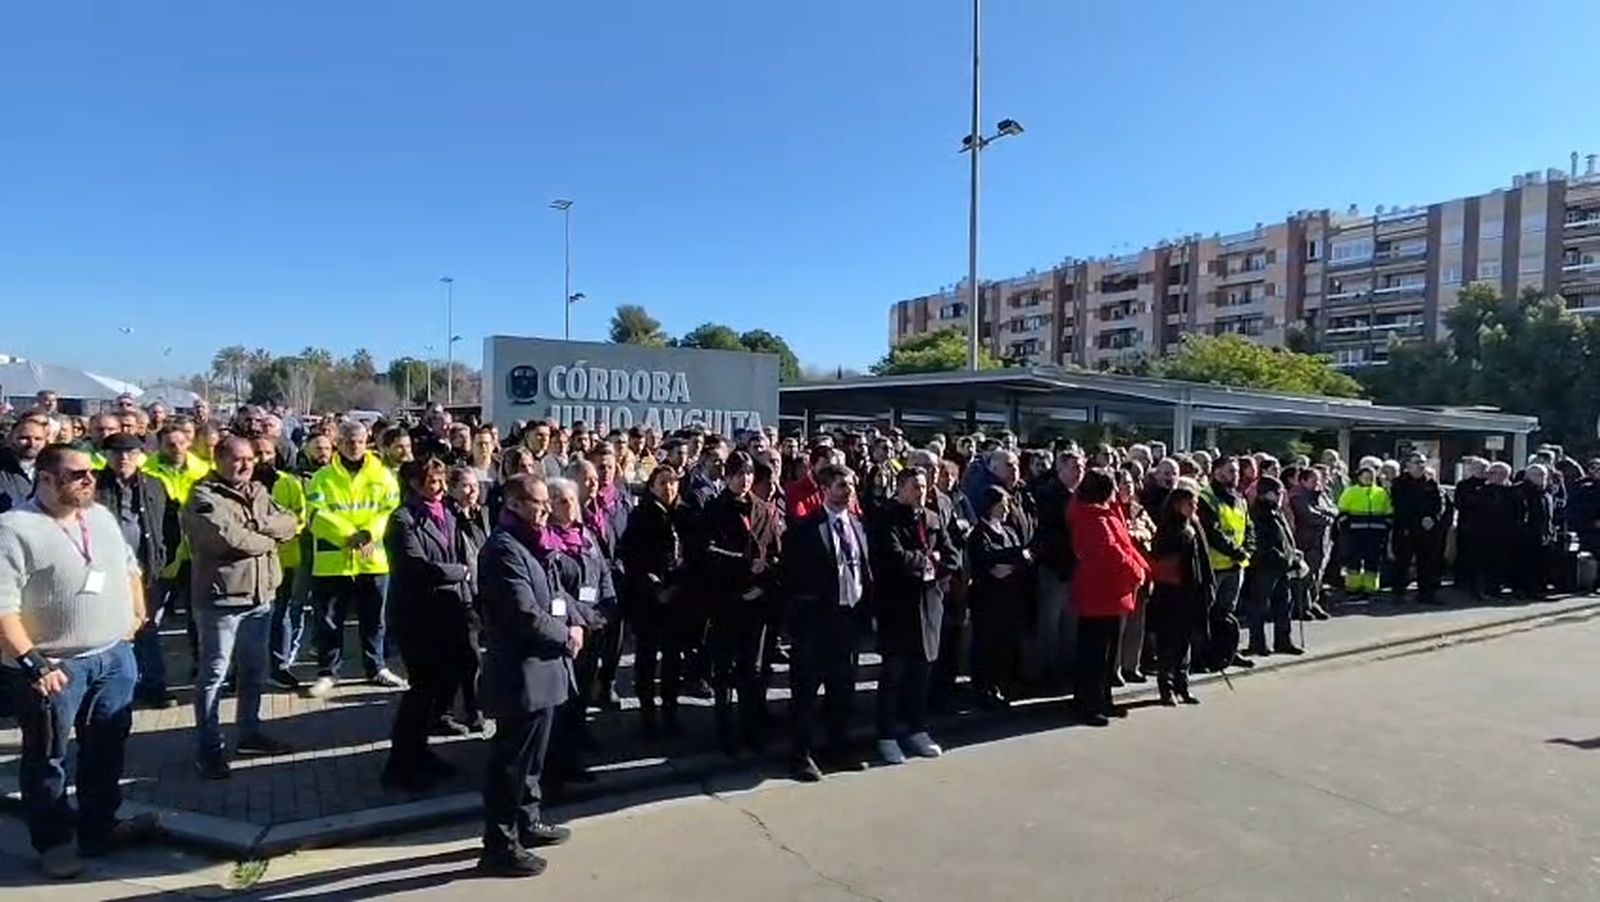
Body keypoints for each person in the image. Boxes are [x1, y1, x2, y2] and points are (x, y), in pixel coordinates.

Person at [0, 444, 159, 878]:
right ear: (46, 479)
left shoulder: (100, 517)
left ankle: (99, 828)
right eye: (77, 475)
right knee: (48, 757)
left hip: (113, 656)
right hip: (53, 665)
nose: (90, 480)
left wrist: (136, 611)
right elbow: (2, 608)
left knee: (106, 747)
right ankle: (53, 841)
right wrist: (34, 663)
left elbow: (129, 566)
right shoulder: (14, 529)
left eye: (91, 472)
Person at [475, 474, 577, 877]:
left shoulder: (534, 544)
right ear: (514, 504)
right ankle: (500, 845)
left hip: (545, 669)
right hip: (521, 672)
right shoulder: (502, 550)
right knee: (511, 763)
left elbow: (553, 596)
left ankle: (528, 822)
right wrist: (565, 636)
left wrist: (577, 621)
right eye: (537, 503)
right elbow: (522, 613)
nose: (546, 510)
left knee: (534, 759)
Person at [183, 437, 300, 779]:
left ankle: (250, 733)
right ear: (218, 459)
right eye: (237, 459)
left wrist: (258, 528)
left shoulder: (260, 491)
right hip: (222, 600)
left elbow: (290, 522)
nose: (246, 465)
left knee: (253, 671)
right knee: (215, 675)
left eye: (250, 458)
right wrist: (267, 538)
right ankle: (209, 748)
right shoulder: (203, 496)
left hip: (261, 597)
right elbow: (225, 540)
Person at [381, 458, 476, 791]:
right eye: (433, 482)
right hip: (417, 616)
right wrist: (459, 572)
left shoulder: (447, 512)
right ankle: (400, 764)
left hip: (450, 611)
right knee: (421, 689)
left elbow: (460, 552)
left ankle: (420, 752)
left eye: (441, 481)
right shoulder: (402, 520)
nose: (439, 488)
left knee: (445, 681)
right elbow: (417, 568)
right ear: (416, 485)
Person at [785, 464, 873, 782]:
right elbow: (792, 579)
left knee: (842, 689)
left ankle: (837, 747)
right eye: (839, 485)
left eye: (850, 485)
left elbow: (864, 568)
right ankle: (800, 755)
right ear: (824, 490)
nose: (846, 491)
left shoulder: (858, 525)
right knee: (807, 692)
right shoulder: (806, 528)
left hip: (848, 619)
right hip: (816, 622)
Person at [305, 420, 405, 697]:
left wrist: (368, 534)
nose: (354, 445)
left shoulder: (383, 476)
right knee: (328, 620)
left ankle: (376, 667)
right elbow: (315, 514)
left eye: (359, 440)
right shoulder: (322, 477)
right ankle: (328, 672)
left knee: (374, 617)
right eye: (348, 440)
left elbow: (390, 510)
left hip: (372, 559)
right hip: (332, 561)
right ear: (338, 442)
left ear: (367, 441)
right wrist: (349, 535)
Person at [867, 466, 954, 764]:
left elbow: (952, 554)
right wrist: (929, 561)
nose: (921, 491)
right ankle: (887, 734)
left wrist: (935, 564)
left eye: (924, 486)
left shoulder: (932, 518)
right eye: (915, 486)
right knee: (894, 673)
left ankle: (916, 727)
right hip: (898, 606)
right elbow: (893, 557)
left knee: (921, 672)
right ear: (901, 488)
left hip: (929, 606)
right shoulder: (886, 518)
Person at [538, 475, 616, 787]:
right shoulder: (548, 540)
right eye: (559, 501)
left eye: (570, 500)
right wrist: (582, 618)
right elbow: (556, 588)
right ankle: (559, 764)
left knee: (582, 693)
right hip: (569, 630)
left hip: (594, 625)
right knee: (564, 700)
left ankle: (575, 748)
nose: (568, 506)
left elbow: (603, 573)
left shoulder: (586, 536)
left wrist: (607, 608)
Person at [703, 451, 783, 756]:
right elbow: (708, 553)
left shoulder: (765, 510)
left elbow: (776, 551)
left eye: (748, 474)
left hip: (757, 602)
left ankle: (751, 728)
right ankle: (724, 732)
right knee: (724, 672)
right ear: (727, 477)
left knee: (753, 670)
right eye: (738, 474)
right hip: (727, 601)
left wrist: (764, 579)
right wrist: (745, 566)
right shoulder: (714, 510)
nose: (744, 479)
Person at [1067, 469, 1150, 727]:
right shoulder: (1092, 518)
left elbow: (1124, 545)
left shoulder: (1104, 513)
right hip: (1100, 591)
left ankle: (1102, 698)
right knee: (1095, 652)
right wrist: (1137, 571)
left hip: (1108, 591)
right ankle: (1089, 703)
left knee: (1107, 649)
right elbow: (1112, 552)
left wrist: (1141, 567)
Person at [619, 465, 687, 735]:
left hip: (677, 598)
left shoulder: (682, 513)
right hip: (648, 598)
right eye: (663, 483)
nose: (669, 488)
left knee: (672, 659)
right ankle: (648, 713)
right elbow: (631, 556)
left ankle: (670, 710)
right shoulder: (642, 516)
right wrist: (653, 585)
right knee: (646, 658)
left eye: (673, 483)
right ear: (652, 486)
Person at [250, 437, 311, 690]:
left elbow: (300, 516)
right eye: (257, 453)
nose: (262, 458)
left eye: (267, 453)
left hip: (284, 558)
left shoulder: (289, 483)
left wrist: (282, 531)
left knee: (281, 614)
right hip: (249, 561)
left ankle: (279, 665)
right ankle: (242, 670)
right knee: (250, 617)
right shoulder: (236, 484)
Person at [966, 485, 1032, 709]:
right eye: (1003, 505)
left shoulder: (1010, 531)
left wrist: (1012, 562)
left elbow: (1020, 559)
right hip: (988, 598)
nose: (1007, 510)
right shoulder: (980, 533)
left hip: (1009, 597)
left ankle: (1001, 685)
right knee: (987, 644)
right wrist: (1012, 559)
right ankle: (983, 688)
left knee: (1005, 644)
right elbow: (989, 563)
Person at [1147, 480, 1211, 706]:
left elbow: (1203, 558)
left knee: (1185, 641)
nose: (1194, 506)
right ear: (1178, 504)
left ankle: (1183, 684)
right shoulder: (1167, 530)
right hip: (1170, 593)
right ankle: (1166, 687)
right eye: (1190, 502)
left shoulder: (1193, 526)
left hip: (1190, 591)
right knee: (1168, 642)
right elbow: (1161, 560)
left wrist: (1205, 584)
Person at [1029, 448, 1083, 687]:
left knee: (1070, 623)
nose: (1079, 472)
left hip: (1076, 568)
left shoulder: (1082, 495)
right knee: (1049, 622)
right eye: (1074, 467)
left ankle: (1067, 669)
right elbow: (1045, 532)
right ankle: (1045, 672)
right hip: (1053, 566)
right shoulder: (1046, 494)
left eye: (1081, 468)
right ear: (1060, 468)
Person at [1197, 456, 1254, 671]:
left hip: (1236, 565)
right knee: (1208, 613)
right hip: (1215, 566)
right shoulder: (1207, 497)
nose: (1235, 475)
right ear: (1217, 472)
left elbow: (1249, 528)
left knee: (1227, 613)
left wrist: (1247, 550)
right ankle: (1204, 656)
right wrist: (1236, 551)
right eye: (1231, 471)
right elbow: (1212, 532)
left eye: (1237, 471)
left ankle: (1228, 652)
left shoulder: (1239, 498)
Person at [1241, 476, 1304, 657]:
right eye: (1278, 493)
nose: (1281, 496)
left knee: (1283, 604)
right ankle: (1257, 643)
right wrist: (1284, 558)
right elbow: (1264, 544)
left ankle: (1283, 640)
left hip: (1281, 566)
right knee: (1260, 605)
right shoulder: (1260, 513)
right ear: (1266, 494)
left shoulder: (1276, 512)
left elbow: (1284, 538)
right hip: (1265, 566)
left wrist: (1292, 554)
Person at [1114, 466, 1155, 685]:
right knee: (1119, 624)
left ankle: (1132, 665)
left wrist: (1142, 533)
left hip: (1141, 572)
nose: (1128, 486)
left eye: (1130, 482)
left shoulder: (1138, 509)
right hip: (1121, 575)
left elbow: (1152, 531)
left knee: (1137, 623)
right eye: (1123, 483)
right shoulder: (1112, 509)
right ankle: (1116, 667)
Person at [1388, 452, 1447, 605]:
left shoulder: (1430, 482)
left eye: (1422, 462)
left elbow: (1439, 504)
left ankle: (1426, 594)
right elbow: (1401, 505)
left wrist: (1433, 518)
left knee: (1427, 562)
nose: (1421, 465)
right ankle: (1399, 594)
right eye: (1417, 462)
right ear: (1407, 465)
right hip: (1406, 527)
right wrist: (1419, 519)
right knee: (1403, 562)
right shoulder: (1399, 483)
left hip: (1426, 529)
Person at [1336, 465, 1392, 598]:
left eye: (1371, 477)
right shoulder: (1350, 492)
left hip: (1375, 533)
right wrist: (1346, 527)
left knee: (1372, 561)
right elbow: (1342, 511)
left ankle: (1371, 588)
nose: (1368, 479)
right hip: (1355, 532)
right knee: (1353, 561)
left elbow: (1389, 511)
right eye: (1365, 476)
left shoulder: (1381, 492)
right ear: (1359, 477)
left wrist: (1385, 526)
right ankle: (1352, 587)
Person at [1288, 467, 1336, 620]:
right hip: (1307, 541)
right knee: (1305, 576)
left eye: (1318, 480)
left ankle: (1312, 602)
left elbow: (1334, 509)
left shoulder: (1321, 495)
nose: (1317, 484)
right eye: (1313, 480)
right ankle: (1301, 606)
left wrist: (1327, 513)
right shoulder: (1297, 496)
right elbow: (1310, 515)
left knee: (1317, 575)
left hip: (1322, 541)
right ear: (1303, 481)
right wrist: (1327, 517)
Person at [1515, 463, 1558, 599]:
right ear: (1528, 476)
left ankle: (1539, 588)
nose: (1542, 478)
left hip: (1544, 533)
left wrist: (1550, 532)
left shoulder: (1546, 493)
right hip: (1527, 534)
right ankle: (1525, 589)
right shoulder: (1521, 492)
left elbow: (1549, 515)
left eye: (1544, 475)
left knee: (1542, 563)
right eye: (1538, 475)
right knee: (1527, 563)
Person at [0, 415, 48, 512]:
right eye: (24, 438)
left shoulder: (53, 468)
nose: (32, 444)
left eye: (38, 439)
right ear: (10, 438)